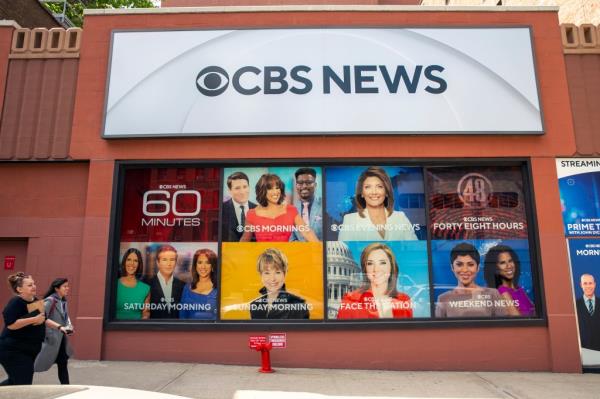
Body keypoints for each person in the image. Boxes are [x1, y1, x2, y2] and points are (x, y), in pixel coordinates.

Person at [0, 272, 66, 385]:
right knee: (22, 383)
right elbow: (11, 324)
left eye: (34, 284)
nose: (34, 286)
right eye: (30, 285)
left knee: (17, 382)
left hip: (29, 350)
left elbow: (43, 318)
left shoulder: (35, 300)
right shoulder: (16, 302)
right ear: (20, 289)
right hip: (13, 350)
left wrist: (59, 327)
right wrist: (33, 320)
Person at [338, 166, 417, 241]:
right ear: (362, 193)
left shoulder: (400, 218)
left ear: (386, 191)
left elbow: (415, 247)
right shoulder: (350, 220)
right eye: (368, 187)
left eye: (379, 186)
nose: (374, 192)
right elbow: (344, 248)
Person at [337, 243, 413, 319]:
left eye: (382, 263)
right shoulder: (350, 300)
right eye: (370, 263)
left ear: (391, 266)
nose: (376, 269)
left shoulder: (404, 300)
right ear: (365, 269)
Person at [435, 243, 510, 318]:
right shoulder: (443, 298)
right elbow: (438, 329)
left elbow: (504, 326)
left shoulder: (492, 294)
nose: (465, 270)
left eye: (470, 264)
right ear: (452, 267)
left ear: (477, 268)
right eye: (459, 264)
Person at [240, 173, 319, 242]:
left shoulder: (291, 210)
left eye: (277, 188)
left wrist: (321, 250)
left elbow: (307, 232)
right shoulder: (252, 214)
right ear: (262, 191)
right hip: (263, 257)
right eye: (270, 188)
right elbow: (245, 239)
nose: (275, 192)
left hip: (285, 257)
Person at [249, 248, 310, 319]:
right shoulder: (255, 305)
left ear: (285, 273)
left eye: (277, 272)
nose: (272, 279)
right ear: (260, 275)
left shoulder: (298, 305)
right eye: (267, 273)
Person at [34, 278, 74, 384]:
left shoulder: (63, 301)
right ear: (56, 288)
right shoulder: (50, 300)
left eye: (67, 286)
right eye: (64, 286)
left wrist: (68, 325)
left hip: (60, 338)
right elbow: (40, 318)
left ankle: (66, 386)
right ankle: (15, 381)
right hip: (51, 338)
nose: (67, 288)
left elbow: (64, 316)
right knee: (36, 363)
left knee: (63, 362)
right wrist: (49, 334)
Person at [483, 245, 534, 316]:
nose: (509, 266)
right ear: (495, 268)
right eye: (502, 263)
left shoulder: (518, 289)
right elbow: (519, 321)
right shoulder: (502, 292)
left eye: (510, 261)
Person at [145, 245, 185, 319]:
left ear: (176, 262)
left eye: (172, 260)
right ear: (158, 262)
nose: (169, 264)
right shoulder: (147, 284)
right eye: (164, 260)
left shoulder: (183, 286)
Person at [180, 248, 218, 320]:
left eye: (207, 262)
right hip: (189, 330)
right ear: (195, 265)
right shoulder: (187, 288)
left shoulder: (218, 289)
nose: (203, 266)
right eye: (200, 262)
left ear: (212, 266)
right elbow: (182, 316)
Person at [115, 248, 150, 320]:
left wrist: (144, 319)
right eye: (129, 259)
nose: (132, 263)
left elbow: (146, 313)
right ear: (124, 262)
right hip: (115, 329)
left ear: (139, 264)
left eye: (136, 261)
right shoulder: (114, 285)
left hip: (137, 329)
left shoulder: (145, 288)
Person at [222, 171, 257, 242]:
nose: (242, 191)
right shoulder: (222, 209)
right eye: (237, 188)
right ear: (230, 191)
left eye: (245, 187)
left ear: (249, 187)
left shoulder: (258, 209)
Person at [291, 167, 323, 241]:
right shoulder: (291, 210)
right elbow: (291, 239)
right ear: (296, 186)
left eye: (308, 183)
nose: (304, 186)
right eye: (300, 183)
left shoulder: (324, 205)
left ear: (315, 185)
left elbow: (329, 235)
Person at [576, 274, 600, 351]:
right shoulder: (575, 305)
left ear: (594, 284)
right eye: (585, 283)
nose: (588, 286)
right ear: (581, 285)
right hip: (584, 351)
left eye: (590, 283)